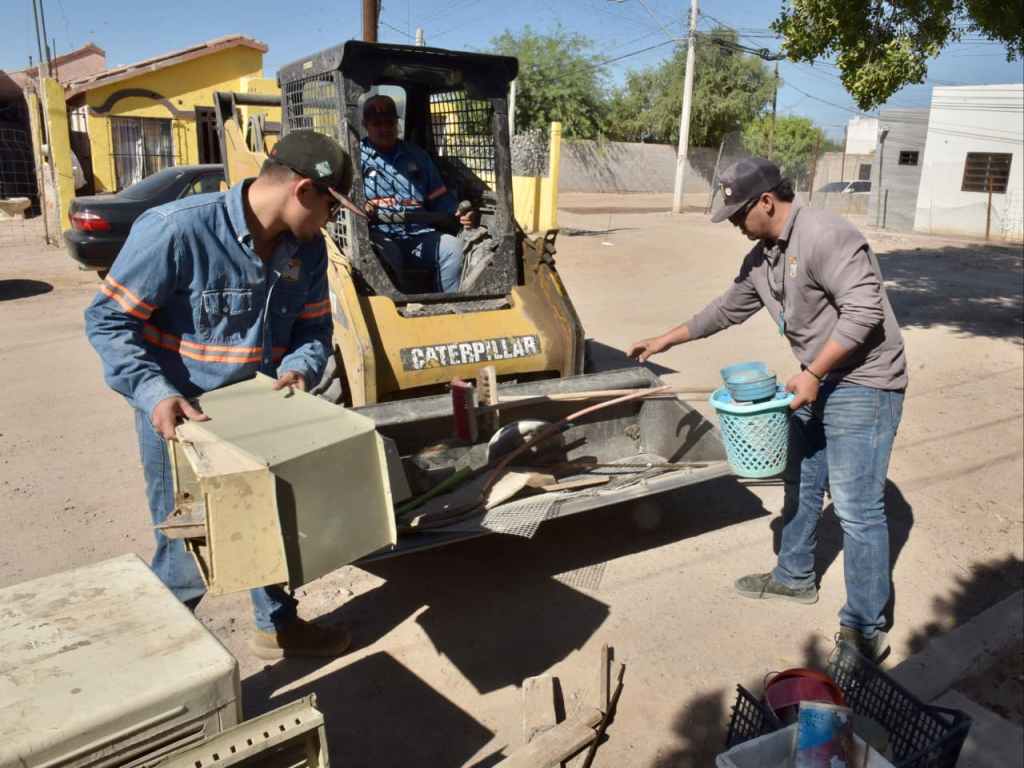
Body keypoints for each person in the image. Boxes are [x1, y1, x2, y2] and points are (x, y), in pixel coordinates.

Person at [85, 129, 357, 660]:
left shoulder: (307, 250)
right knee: (190, 548)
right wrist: (154, 393)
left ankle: (277, 628)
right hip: (185, 422)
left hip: (261, 418)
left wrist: (298, 369)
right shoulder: (177, 230)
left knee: (268, 525)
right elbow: (108, 321)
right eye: (331, 207)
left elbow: (314, 329)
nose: (329, 220)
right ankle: (158, 667)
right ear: (303, 191)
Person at [629, 157, 908, 661]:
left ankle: (865, 630)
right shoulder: (763, 258)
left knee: (856, 508)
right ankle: (794, 576)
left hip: (865, 383)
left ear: (766, 201)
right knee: (801, 480)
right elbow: (726, 308)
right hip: (817, 380)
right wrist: (664, 340)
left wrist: (814, 373)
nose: (734, 224)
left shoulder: (826, 235)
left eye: (739, 213)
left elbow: (865, 311)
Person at [360, 94, 472, 293]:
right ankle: (397, 307)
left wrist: (458, 212)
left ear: (397, 123)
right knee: (389, 256)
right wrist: (361, 207)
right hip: (379, 236)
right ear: (365, 125)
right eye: (377, 124)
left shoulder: (417, 156)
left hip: (419, 233)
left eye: (389, 123)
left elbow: (439, 198)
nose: (384, 129)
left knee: (454, 249)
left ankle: (448, 304)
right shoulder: (357, 157)